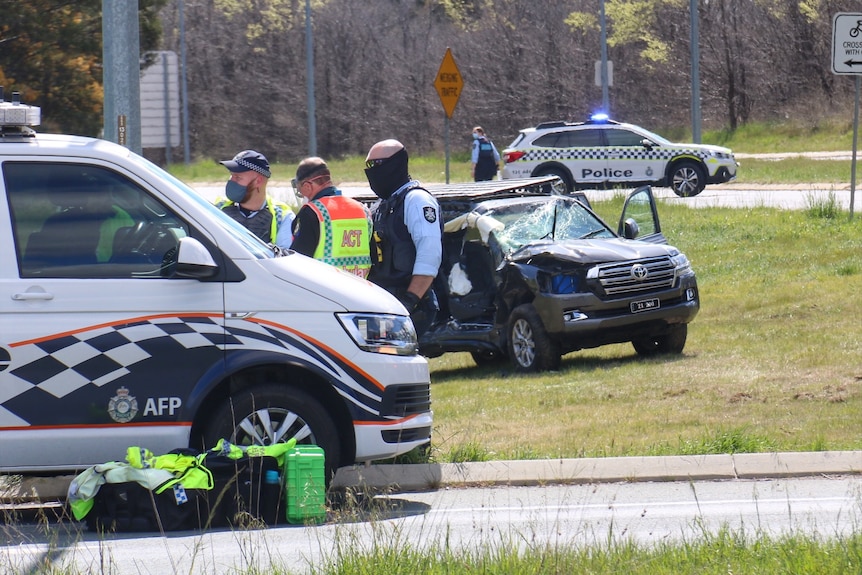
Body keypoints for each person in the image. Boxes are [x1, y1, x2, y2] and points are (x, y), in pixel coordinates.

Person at [364, 139, 443, 336]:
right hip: (384, 302)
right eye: (367, 166)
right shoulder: (382, 204)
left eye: (375, 165)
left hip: (411, 304)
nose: (371, 172)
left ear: (395, 164)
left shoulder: (417, 201)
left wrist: (410, 301)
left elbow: (430, 255)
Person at [289, 156, 372, 278]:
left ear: (307, 186)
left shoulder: (312, 212)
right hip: (359, 289)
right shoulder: (363, 210)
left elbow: (298, 260)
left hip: (323, 290)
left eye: (300, 188)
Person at [217, 150, 294, 249]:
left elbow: (284, 259)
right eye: (231, 175)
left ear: (258, 181)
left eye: (238, 177)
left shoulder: (282, 217)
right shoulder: (217, 210)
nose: (231, 181)